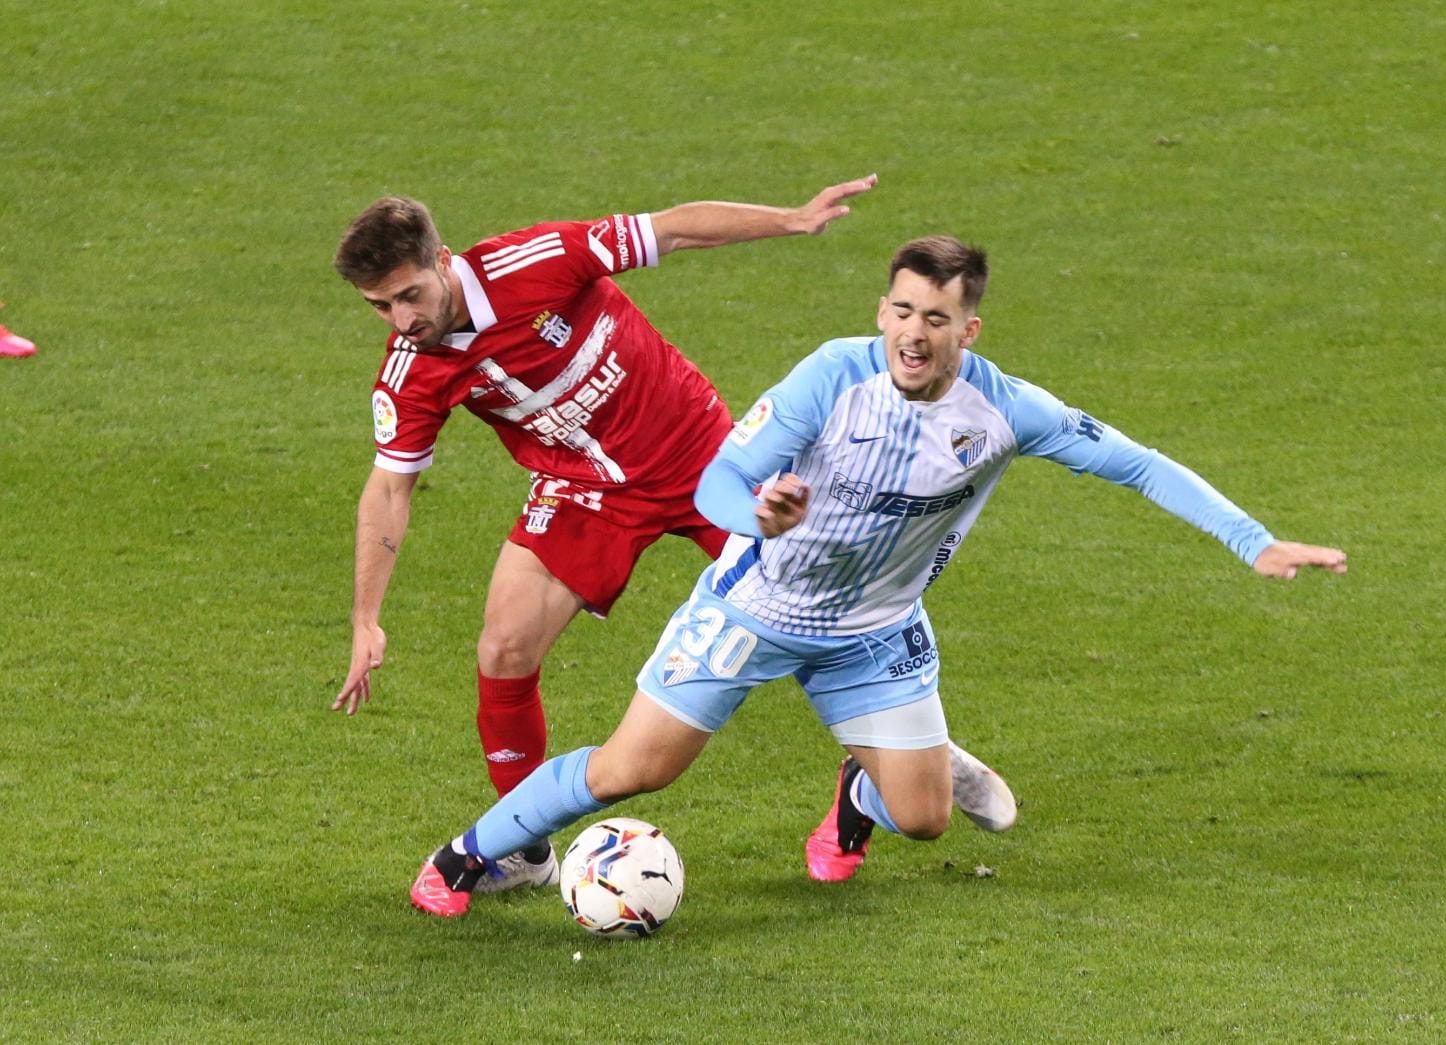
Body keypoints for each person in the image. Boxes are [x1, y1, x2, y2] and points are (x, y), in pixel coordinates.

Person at [406, 234, 1348, 916]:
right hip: (756, 608)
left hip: (877, 631)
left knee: (927, 820)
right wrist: (755, 515)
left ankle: (865, 791)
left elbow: (1139, 461)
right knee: (631, 769)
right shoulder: (830, 376)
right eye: (902, 311)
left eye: (936, 318)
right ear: (882, 312)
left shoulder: (1007, 412)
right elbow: (722, 478)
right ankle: (466, 855)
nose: (914, 332)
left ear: (967, 327)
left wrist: (1251, 540)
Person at [329, 177, 880, 893]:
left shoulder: (536, 261)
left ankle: (867, 788)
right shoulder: (411, 373)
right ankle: (522, 846)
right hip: (586, 489)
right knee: (504, 645)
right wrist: (366, 616)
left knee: (823, 613)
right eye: (380, 306)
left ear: (443, 260)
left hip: (698, 453)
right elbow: (388, 488)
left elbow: (673, 228)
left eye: (409, 296)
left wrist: (793, 219)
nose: (401, 319)